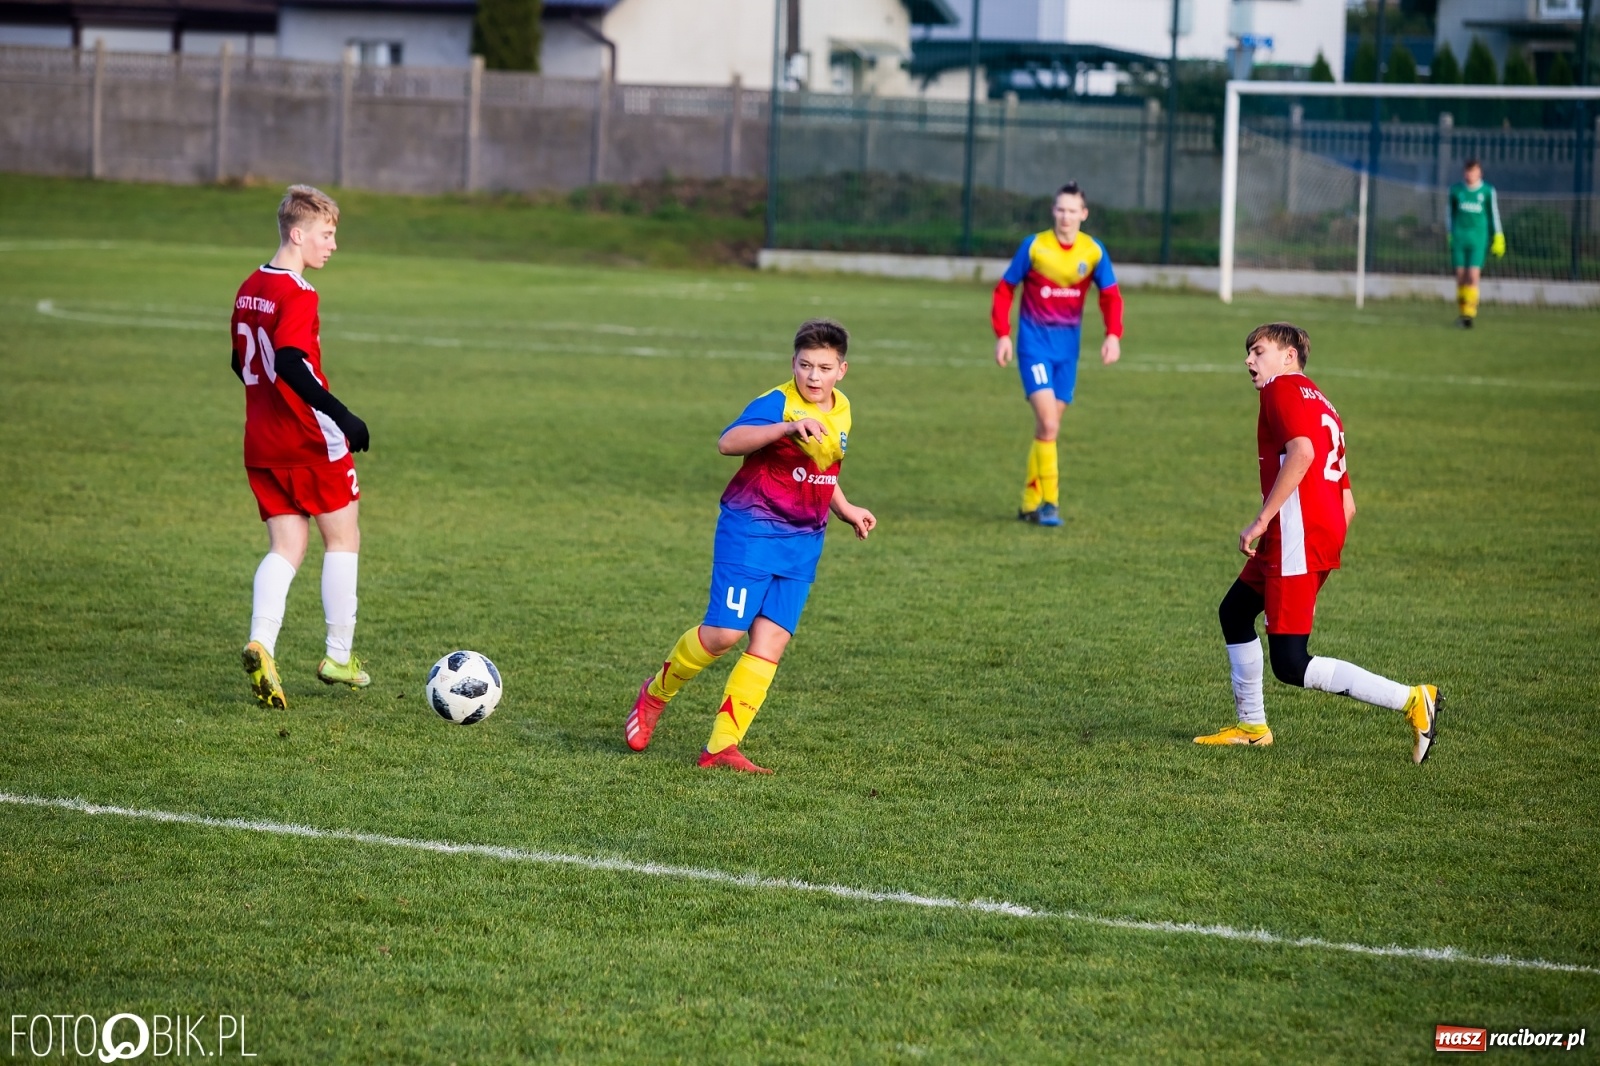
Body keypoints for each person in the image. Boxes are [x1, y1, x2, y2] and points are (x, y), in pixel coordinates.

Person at [624, 320, 876, 773]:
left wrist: (845, 507)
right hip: (753, 530)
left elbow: (824, 469)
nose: (812, 377)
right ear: (793, 364)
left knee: (770, 642)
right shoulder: (778, 402)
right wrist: (783, 428)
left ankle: (721, 746)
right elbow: (728, 442)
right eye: (804, 366)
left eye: (823, 367)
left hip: (804, 540)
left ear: (842, 370)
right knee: (724, 634)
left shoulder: (843, 410)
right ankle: (654, 694)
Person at [1194, 323, 1440, 763]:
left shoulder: (1280, 390)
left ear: (1289, 357)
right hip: (1310, 535)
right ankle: (1252, 727)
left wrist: (1262, 520)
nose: (1249, 361)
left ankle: (1413, 700)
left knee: (1290, 663)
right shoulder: (1324, 402)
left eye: (1259, 351)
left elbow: (1303, 453)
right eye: (1247, 354)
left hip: (1295, 536)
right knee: (1234, 611)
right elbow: (1348, 503)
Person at [232, 185, 372, 709]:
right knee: (344, 537)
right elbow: (290, 361)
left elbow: (239, 362)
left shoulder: (249, 287)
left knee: (286, 547)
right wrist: (343, 415)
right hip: (308, 438)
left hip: (260, 440)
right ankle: (339, 655)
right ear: (298, 233)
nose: (333, 245)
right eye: (327, 234)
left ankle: (261, 644)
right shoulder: (298, 292)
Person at [990, 182, 1123, 526]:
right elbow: (1005, 289)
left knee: (1048, 428)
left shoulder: (1092, 252)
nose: (1065, 216)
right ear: (1053, 211)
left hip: (1068, 353)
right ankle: (1050, 503)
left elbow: (1110, 295)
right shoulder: (1035, 247)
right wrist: (1003, 335)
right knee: (1049, 423)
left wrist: (1113, 334)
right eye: (1060, 209)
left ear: (1084, 213)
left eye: (1072, 210)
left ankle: (1028, 502)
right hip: (1033, 347)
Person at [1447, 159, 1504, 329]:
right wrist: (1450, 233)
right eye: (1467, 171)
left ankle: (1469, 315)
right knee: (1460, 277)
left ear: (1480, 173)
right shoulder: (1456, 191)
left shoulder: (1487, 191)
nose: (1470, 175)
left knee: (1473, 276)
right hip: (1460, 238)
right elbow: (1450, 213)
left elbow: (1493, 214)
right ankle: (1462, 312)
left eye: (1473, 171)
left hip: (1478, 239)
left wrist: (1498, 236)